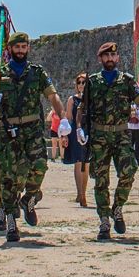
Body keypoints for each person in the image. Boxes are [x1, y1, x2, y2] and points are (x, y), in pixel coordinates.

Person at [0, 31, 68, 242]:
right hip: (8, 132)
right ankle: (11, 222)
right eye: (17, 47)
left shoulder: (37, 73)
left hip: (32, 129)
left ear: (28, 49)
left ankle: (28, 199)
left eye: (24, 47)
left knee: (40, 166)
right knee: (8, 178)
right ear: (10, 49)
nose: (20, 51)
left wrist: (63, 119)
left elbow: (53, 96)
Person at [75, 41, 139, 241]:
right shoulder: (92, 81)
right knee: (101, 180)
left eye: (113, 55)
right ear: (100, 59)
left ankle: (118, 207)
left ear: (117, 58)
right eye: (106, 56)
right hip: (99, 136)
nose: (110, 59)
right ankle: (104, 220)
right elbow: (82, 109)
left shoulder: (126, 80)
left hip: (121, 135)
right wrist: (79, 129)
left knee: (129, 170)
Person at [61, 72, 90, 208]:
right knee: (78, 162)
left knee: (87, 163)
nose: (81, 85)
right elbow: (68, 118)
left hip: (88, 131)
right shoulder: (72, 99)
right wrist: (65, 135)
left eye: (84, 82)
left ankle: (83, 191)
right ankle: (80, 193)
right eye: (79, 82)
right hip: (75, 133)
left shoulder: (91, 99)